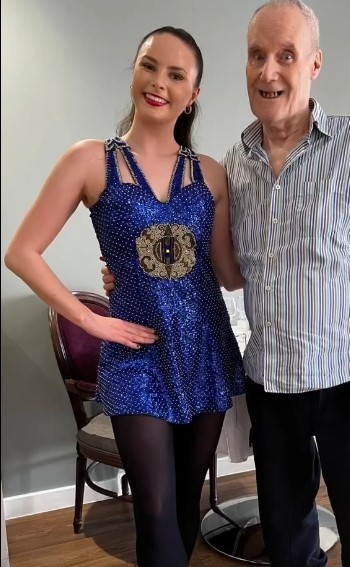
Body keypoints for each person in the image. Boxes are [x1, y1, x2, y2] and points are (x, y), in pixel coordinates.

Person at [103, 3, 350, 566]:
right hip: (273, 385)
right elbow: (221, 265)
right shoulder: (232, 167)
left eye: (286, 56)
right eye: (257, 56)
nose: (269, 71)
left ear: (314, 64)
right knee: (287, 548)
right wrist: (137, 273)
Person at [4, 26, 246, 567]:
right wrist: (93, 321)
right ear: (135, 70)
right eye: (149, 65)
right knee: (154, 509)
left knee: (185, 502)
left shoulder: (212, 173)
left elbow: (229, 274)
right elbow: (21, 252)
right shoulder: (90, 160)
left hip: (205, 351)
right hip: (136, 358)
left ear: (193, 94)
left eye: (176, 75)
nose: (159, 82)